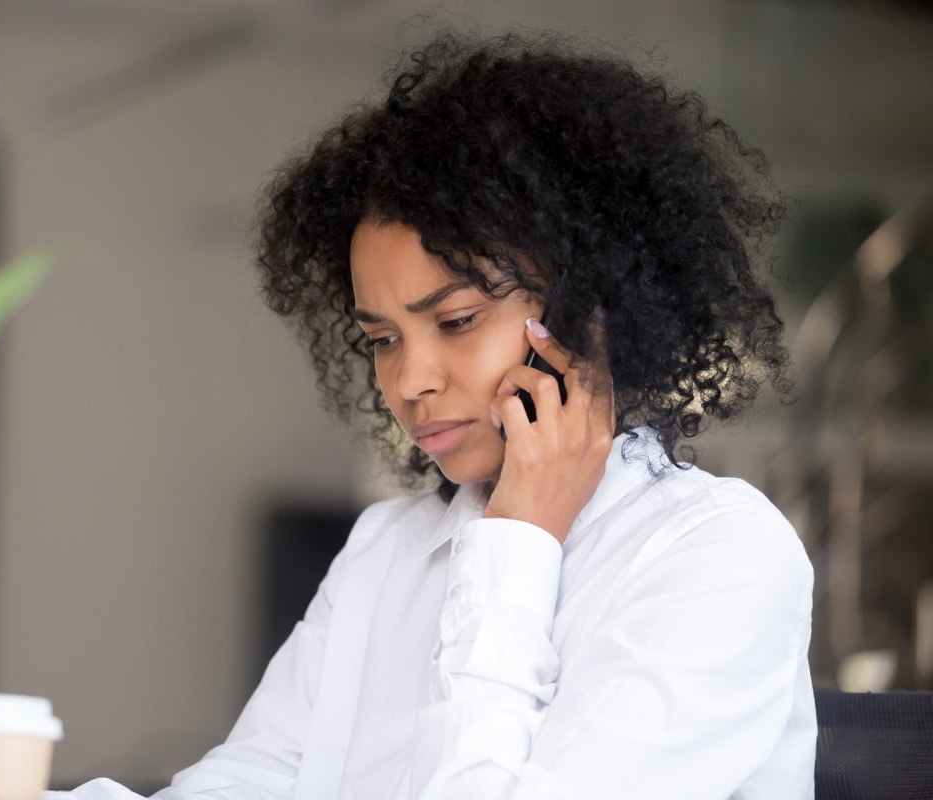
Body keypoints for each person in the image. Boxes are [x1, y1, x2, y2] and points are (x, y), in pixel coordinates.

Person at [55, 29, 815, 800]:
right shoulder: (387, 552)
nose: (409, 380)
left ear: (590, 317)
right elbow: (250, 782)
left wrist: (518, 543)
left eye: (455, 321)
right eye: (382, 338)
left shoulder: (718, 557)